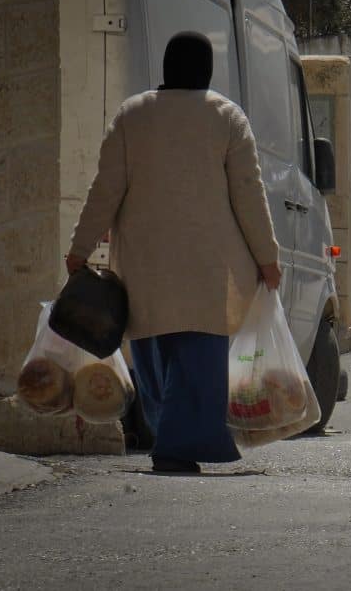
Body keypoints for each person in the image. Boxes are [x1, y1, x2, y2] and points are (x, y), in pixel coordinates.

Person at [65, 32, 281, 473]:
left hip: (145, 269)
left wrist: (79, 249)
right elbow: (249, 194)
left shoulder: (133, 114)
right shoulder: (226, 116)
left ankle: (170, 440)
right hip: (208, 272)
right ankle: (177, 446)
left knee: (155, 359)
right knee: (197, 363)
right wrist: (267, 258)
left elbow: (104, 190)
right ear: (207, 70)